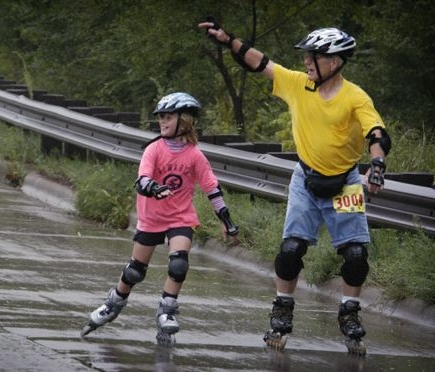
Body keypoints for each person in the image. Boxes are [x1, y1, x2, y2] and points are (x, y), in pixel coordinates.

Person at [199, 20, 391, 354]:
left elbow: (376, 133)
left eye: (312, 56)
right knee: (290, 251)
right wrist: (228, 39)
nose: (305, 62)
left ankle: (349, 314)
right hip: (305, 179)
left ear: (334, 61)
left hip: (345, 184)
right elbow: (260, 62)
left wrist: (376, 164)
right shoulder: (298, 84)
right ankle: (282, 309)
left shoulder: (355, 96)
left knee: (356, 256)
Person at [81, 92, 240, 345]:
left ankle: (167, 311)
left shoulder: (194, 155)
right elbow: (142, 179)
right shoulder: (154, 149)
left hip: (180, 217)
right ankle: (114, 302)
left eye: (167, 117)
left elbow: (212, 187)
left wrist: (226, 220)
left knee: (178, 265)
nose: (162, 122)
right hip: (152, 217)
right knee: (135, 272)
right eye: (161, 118)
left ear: (184, 120)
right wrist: (153, 187)